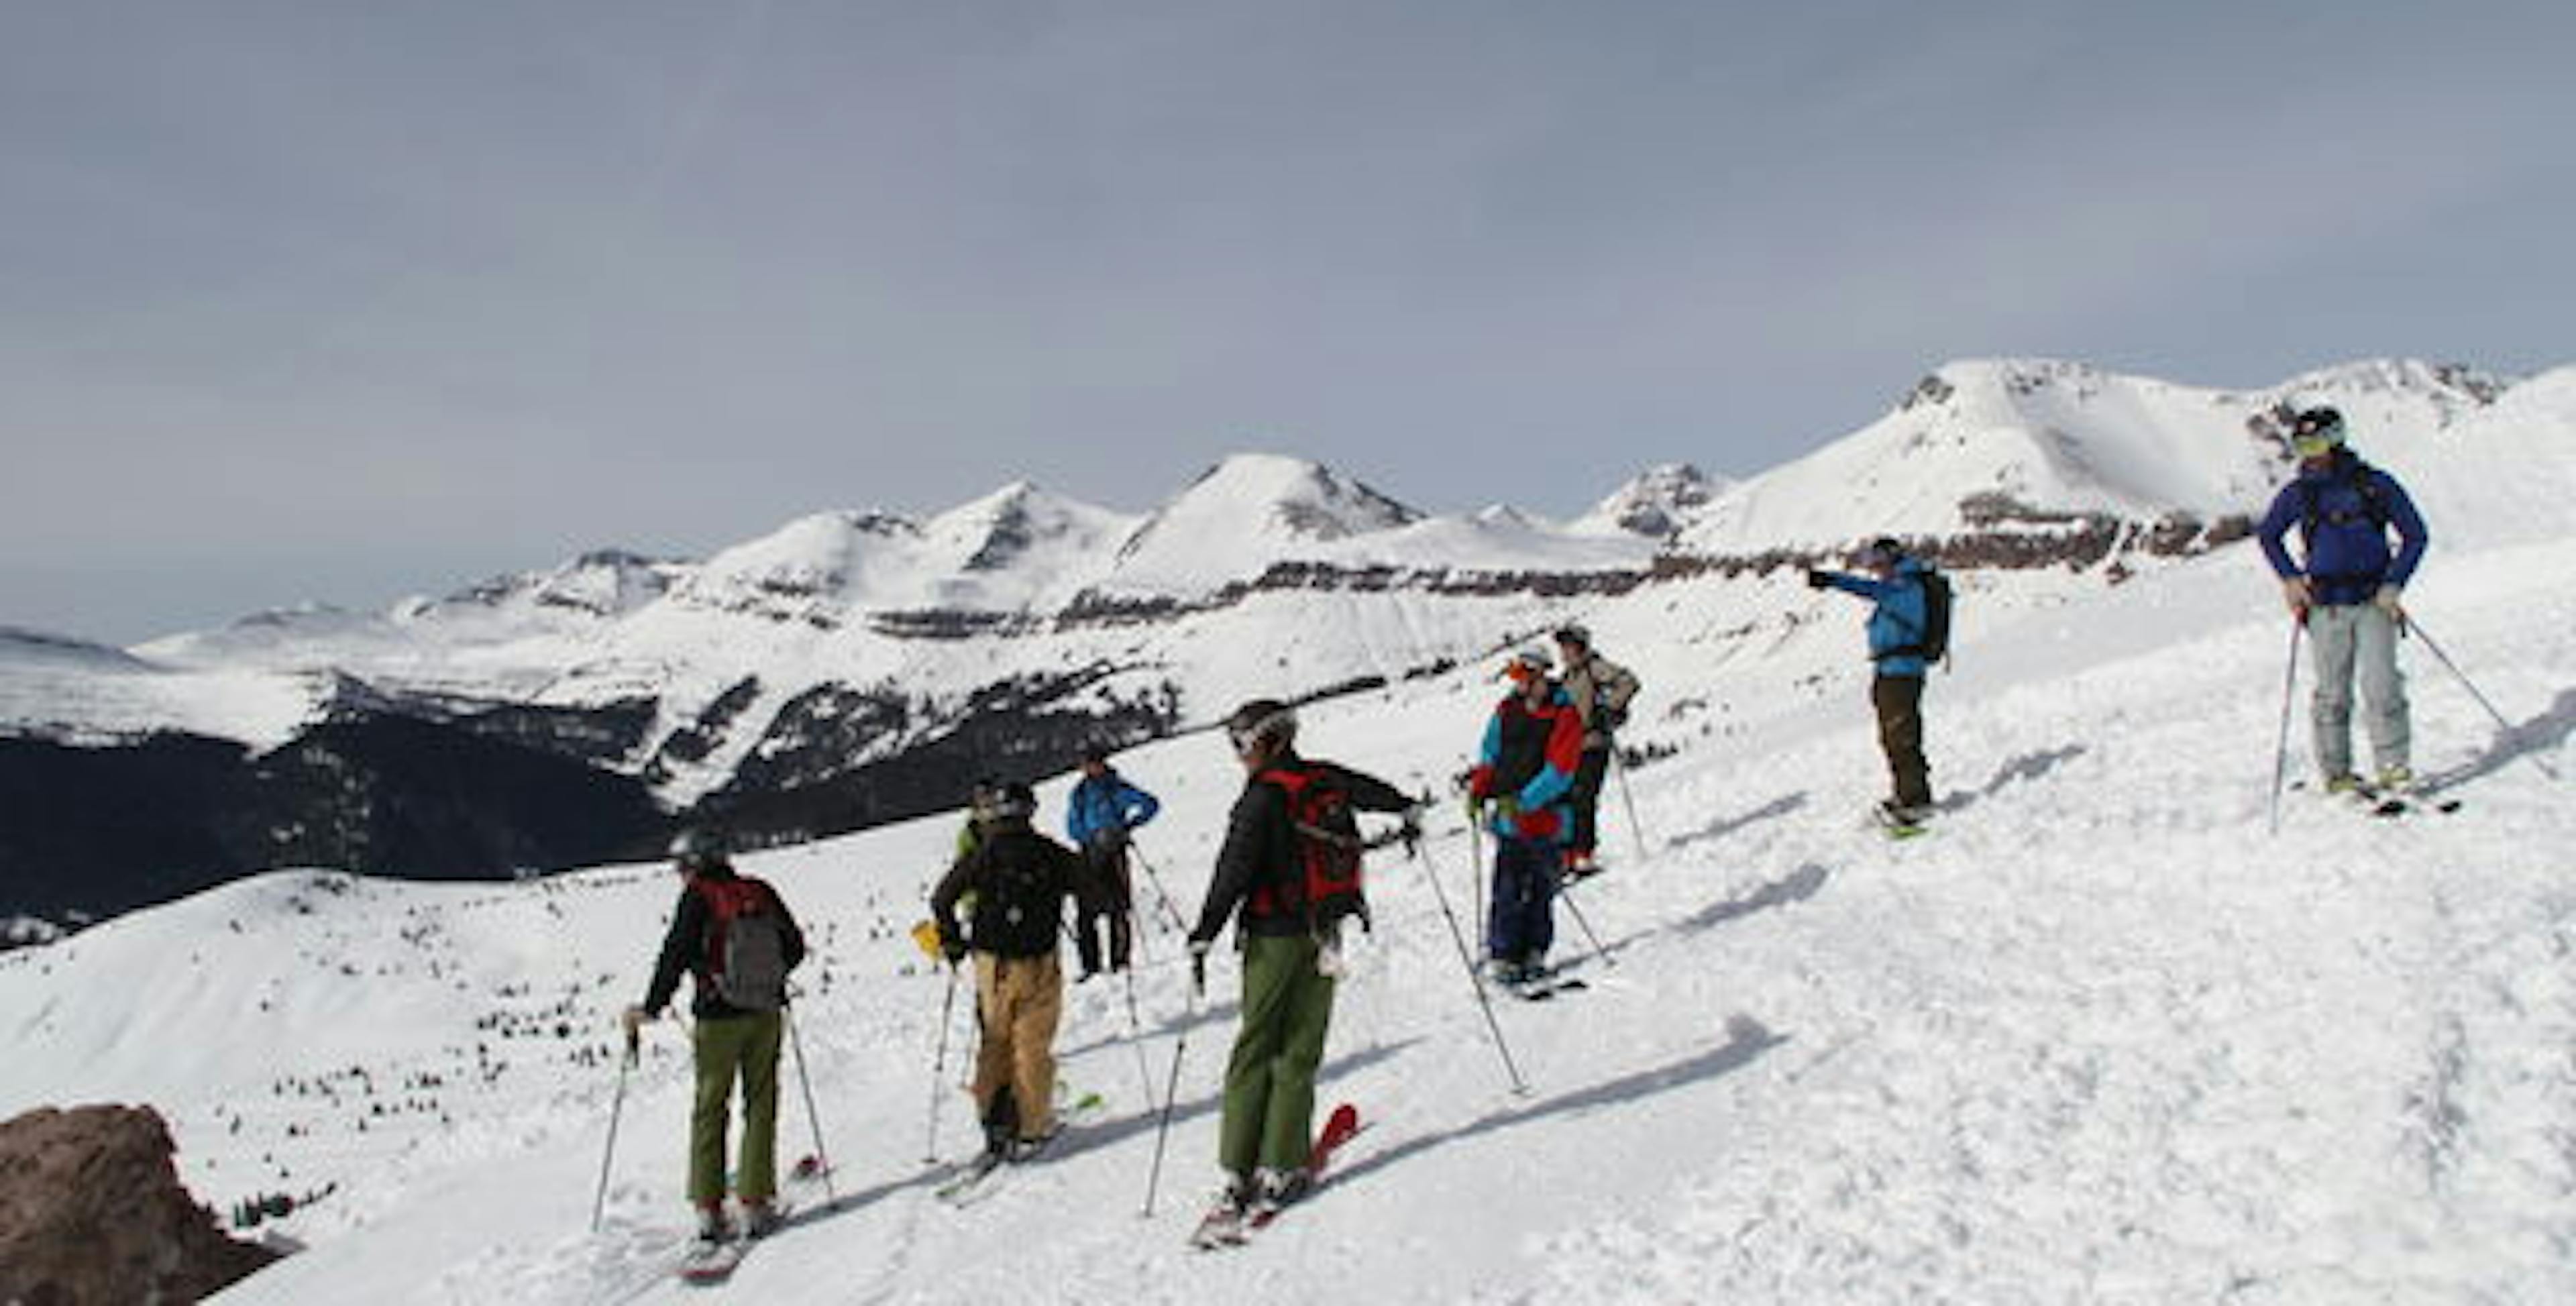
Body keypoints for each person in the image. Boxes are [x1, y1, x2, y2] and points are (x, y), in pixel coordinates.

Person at [1187, 699, 1415, 1224]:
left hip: (1273, 938)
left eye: (1241, 743)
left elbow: (1233, 869)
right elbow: (1369, 789)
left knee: (1256, 1046)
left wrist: (1205, 931)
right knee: (1301, 1046)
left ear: (1268, 740)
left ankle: (1239, 1166)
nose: (1237, 754)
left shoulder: (1262, 799)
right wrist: (1405, 806)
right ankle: (1283, 1163)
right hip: (1325, 930)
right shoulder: (1322, 778)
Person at [623, 828, 808, 1244]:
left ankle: (709, 1210)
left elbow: (676, 952)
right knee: (761, 1105)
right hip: (765, 1014)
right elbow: (794, 946)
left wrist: (653, 1005)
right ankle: (755, 1204)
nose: (680, 875)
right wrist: (768, 981)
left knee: (711, 1108)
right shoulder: (759, 891)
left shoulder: (699, 897)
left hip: (717, 1017)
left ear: (694, 864)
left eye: (681, 866)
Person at [928, 781, 1108, 1162]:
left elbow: (942, 898)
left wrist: (952, 941)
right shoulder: (1049, 853)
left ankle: (991, 1119)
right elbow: (1098, 895)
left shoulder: (983, 855)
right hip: (1038, 959)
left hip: (990, 963)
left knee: (994, 1040)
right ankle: (1031, 1126)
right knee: (1032, 1045)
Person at [2255, 405, 2430, 794]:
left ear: (2336, 439)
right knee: (2332, 692)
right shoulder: (2299, 494)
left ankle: (2394, 767)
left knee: (2382, 685)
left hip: (2374, 601)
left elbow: (2416, 535)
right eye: (2301, 445)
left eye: (2316, 442)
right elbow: (2268, 535)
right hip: (2325, 605)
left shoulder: (2375, 485)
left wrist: (2394, 584)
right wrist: (2290, 580)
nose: (2309, 453)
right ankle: (2337, 774)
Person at [1464, 650, 1586, 985]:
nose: (1517, 685)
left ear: (1540, 676)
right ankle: (1503, 953)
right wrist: (1479, 788)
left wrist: (1525, 801)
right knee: (1507, 885)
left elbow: (1561, 770)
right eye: (1515, 678)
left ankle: (1534, 950)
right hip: (1509, 818)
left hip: (1545, 818)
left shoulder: (1564, 715)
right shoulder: (1507, 710)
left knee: (1540, 886)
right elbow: (1490, 753)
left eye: (1523, 678)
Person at [1807, 538, 1938, 827]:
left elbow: (1868, 589)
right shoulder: (1903, 584)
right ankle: (1906, 794)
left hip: (1901, 673)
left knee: (1901, 737)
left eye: (1878, 561)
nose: (1875, 568)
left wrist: (1831, 580)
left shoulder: (1906, 587)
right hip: (1891, 670)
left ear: (1891, 558)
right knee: (1894, 737)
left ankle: (1916, 803)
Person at [1550, 624, 1641, 878]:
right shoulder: (1569, 676)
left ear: (1579, 646)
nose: (1563, 653)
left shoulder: (1594, 668)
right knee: (1567, 800)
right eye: (1562, 648)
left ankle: (1582, 855)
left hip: (1593, 743)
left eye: (1567, 647)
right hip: (1571, 747)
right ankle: (1568, 854)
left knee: (1583, 798)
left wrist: (1609, 709)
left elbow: (1629, 681)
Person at [1064, 745, 1161, 980]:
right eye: (1086, 764)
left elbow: (1150, 804)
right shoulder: (1081, 792)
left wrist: (1128, 825)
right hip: (1091, 851)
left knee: (1117, 907)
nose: (1089, 768)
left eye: (1092, 763)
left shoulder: (1115, 787)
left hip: (1108, 851)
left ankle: (1119, 961)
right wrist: (1091, 837)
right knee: (1087, 911)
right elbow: (1072, 824)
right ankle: (1091, 965)